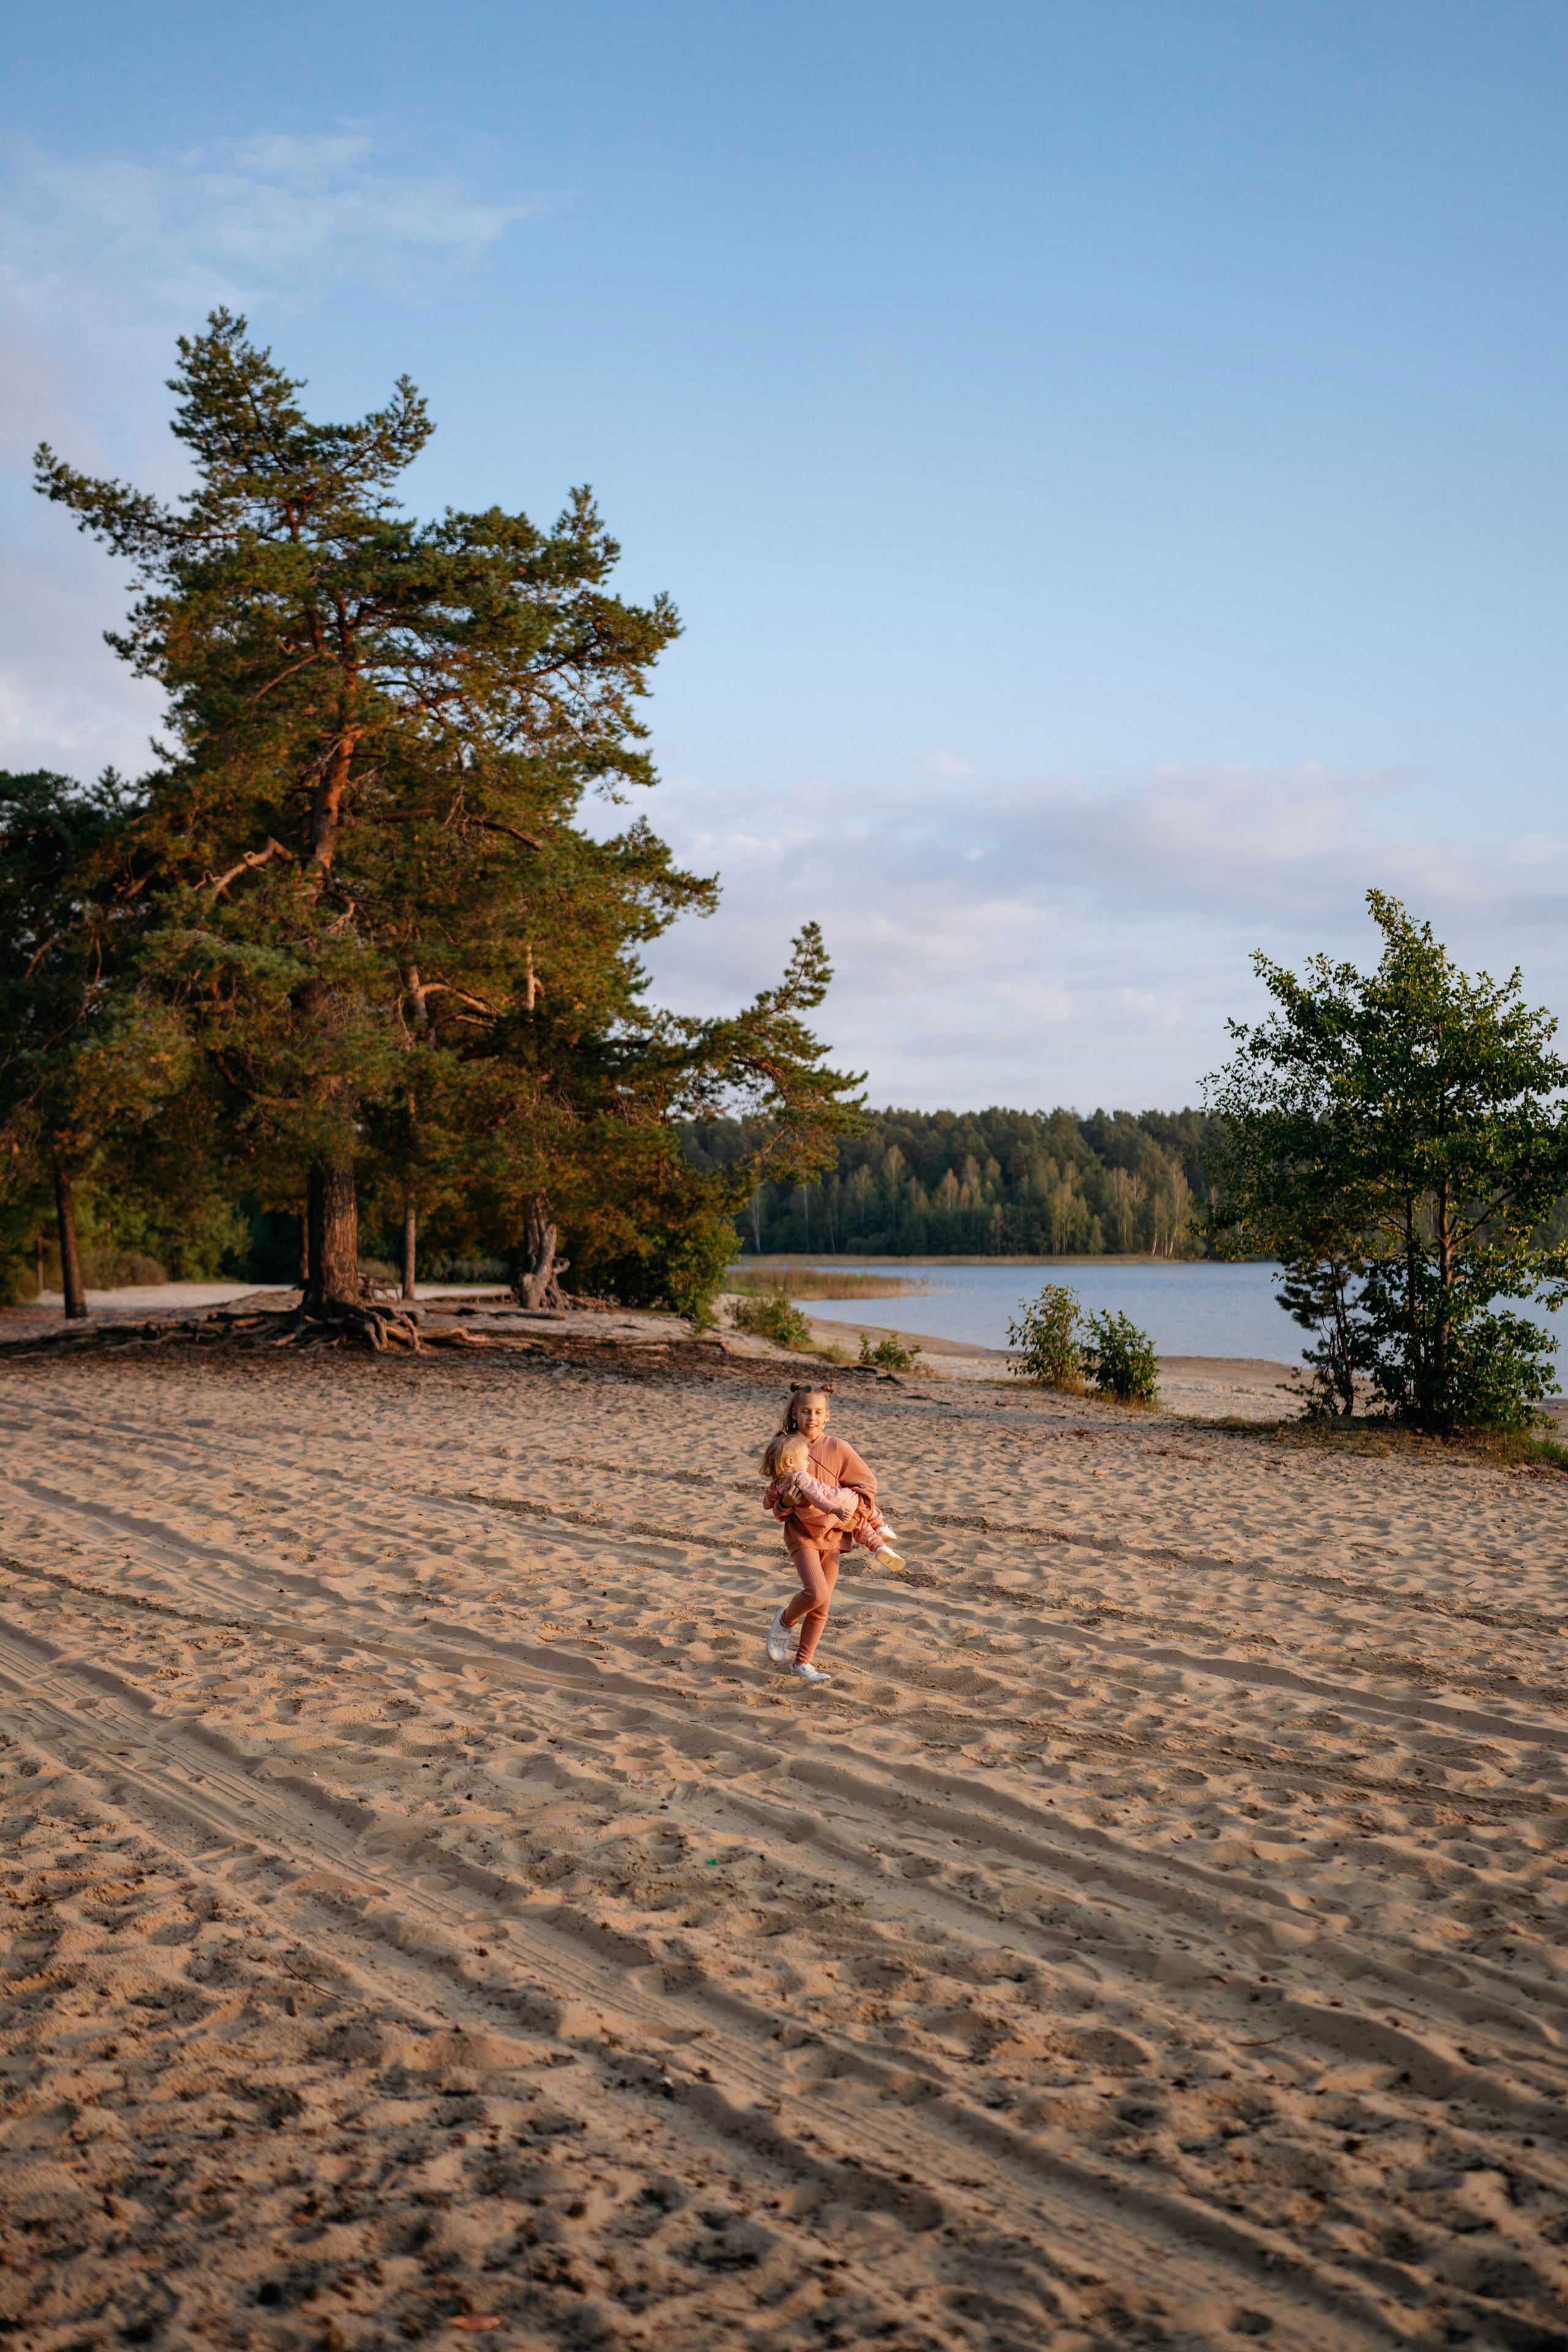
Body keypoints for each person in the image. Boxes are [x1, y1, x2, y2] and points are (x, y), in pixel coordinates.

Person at [761, 1385, 897, 1683]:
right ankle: (784, 1622)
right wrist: (786, 1504)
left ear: (827, 1417)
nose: (812, 1417)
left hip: (834, 1535)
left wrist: (854, 1517)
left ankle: (802, 1663)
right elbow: (775, 1500)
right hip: (801, 1535)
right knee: (816, 1592)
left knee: (822, 1606)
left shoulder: (839, 1448)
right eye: (805, 1411)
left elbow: (867, 1485)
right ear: (794, 1415)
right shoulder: (784, 1446)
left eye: (818, 1412)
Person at [762, 1431, 905, 1568]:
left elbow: (766, 1504)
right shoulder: (800, 1476)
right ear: (790, 1461)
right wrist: (834, 1510)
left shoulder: (775, 1485)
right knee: (859, 1497)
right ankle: (880, 1526)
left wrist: (784, 1502)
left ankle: (879, 1547)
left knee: (860, 1525)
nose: (808, 1464)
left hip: (816, 1523)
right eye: (805, 1459)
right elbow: (816, 1497)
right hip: (834, 1504)